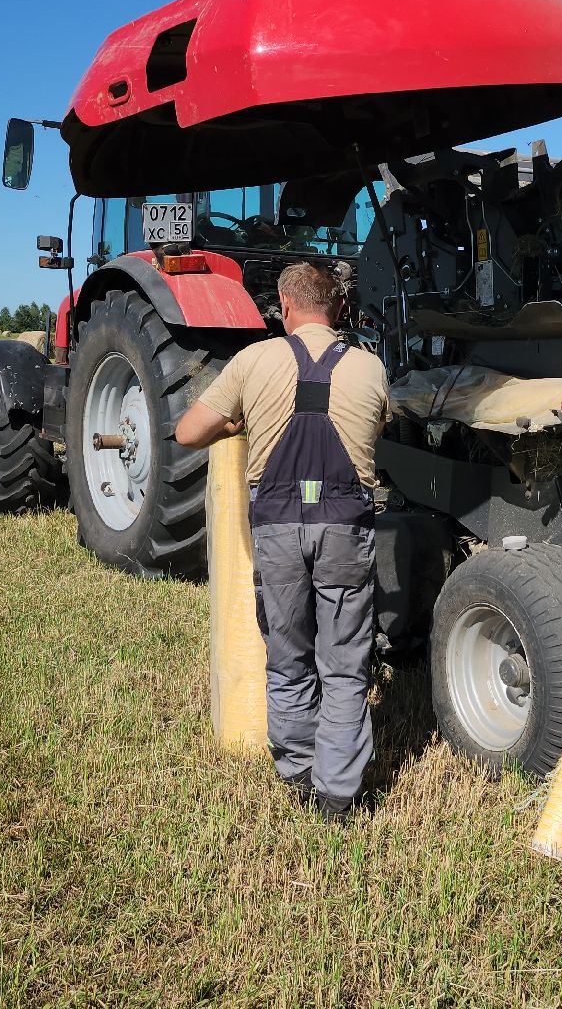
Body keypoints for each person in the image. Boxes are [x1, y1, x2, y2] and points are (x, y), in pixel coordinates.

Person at [174, 262, 389, 821]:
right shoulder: (370, 367)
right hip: (345, 529)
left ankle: (298, 775)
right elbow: (377, 431)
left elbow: (188, 432)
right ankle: (338, 794)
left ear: (285, 305)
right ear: (337, 308)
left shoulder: (254, 360)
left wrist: (237, 423)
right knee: (344, 666)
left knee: (289, 659)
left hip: (278, 531)